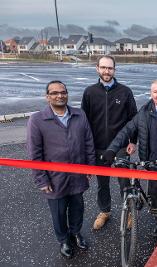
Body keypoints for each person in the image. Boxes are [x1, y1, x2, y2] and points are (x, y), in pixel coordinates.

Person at [27, 81, 95, 259]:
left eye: (63, 92)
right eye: (54, 93)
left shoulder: (79, 115)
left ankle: (75, 233)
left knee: (77, 208)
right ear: (47, 96)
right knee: (58, 211)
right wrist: (41, 179)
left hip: (78, 174)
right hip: (54, 178)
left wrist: (89, 167)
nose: (60, 95)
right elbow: (35, 153)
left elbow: (88, 143)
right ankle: (64, 240)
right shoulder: (37, 120)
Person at [102, 79, 157, 238]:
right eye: (155, 92)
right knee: (156, 195)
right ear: (151, 94)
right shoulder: (144, 112)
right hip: (152, 162)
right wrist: (112, 149)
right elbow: (126, 130)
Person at [81, 55, 138, 230]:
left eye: (110, 68)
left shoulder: (125, 91)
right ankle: (105, 211)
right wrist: (86, 146)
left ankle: (128, 213)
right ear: (97, 68)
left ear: (114, 70)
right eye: (103, 67)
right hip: (98, 147)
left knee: (124, 182)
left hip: (120, 147)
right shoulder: (90, 92)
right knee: (102, 183)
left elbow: (133, 119)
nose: (107, 71)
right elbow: (84, 121)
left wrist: (133, 141)